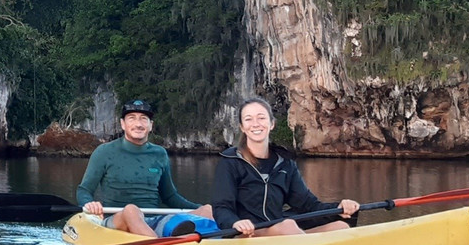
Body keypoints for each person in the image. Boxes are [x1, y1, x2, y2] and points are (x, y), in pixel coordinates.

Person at [211, 97, 359, 237]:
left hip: (278, 232)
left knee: (340, 227)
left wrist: (338, 208)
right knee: (287, 226)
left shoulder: (285, 163)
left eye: (261, 118)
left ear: (272, 124)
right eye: (248, 119)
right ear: (242, 127)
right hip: (246, 235)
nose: (255, 124)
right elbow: (222, 207)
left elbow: (307, 204)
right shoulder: (230, 162)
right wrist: (235, 223)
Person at [77, 98, 214, 236]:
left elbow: (170, 196)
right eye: (132, 118)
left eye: (143, 119)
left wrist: (201, 209)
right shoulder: (104, 152)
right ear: (123, 124)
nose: (138, 124)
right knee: (131, 210)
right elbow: (84, 190)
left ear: (150, 125)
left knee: (208, 210)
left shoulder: (159, 154)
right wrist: (90, 204)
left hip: (153, 220)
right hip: (116, 220)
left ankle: (221, 243)